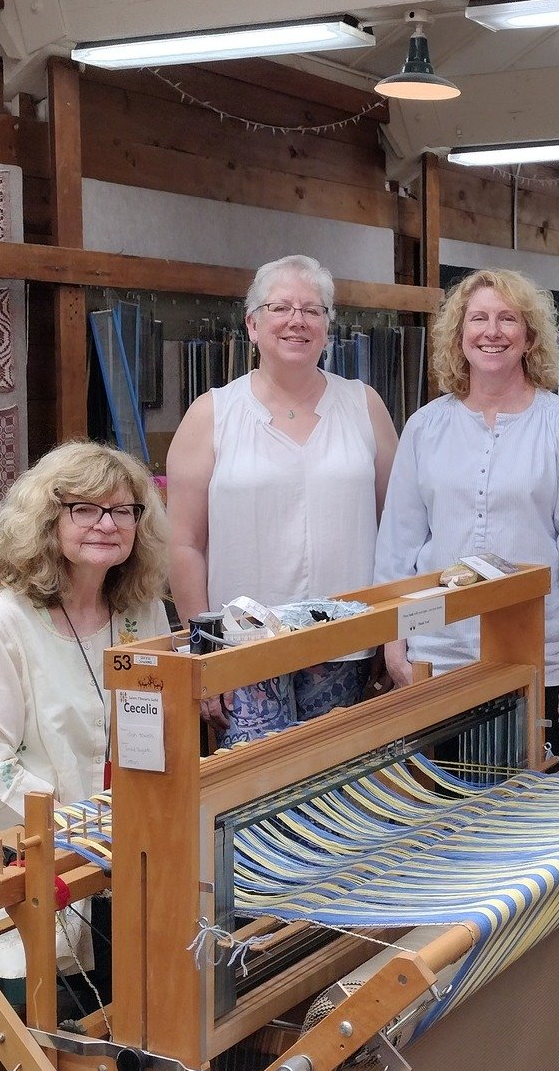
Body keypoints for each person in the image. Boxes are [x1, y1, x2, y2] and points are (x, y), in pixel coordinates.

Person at [0, 440, 170, 993]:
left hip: (127, 853)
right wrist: (86, 831)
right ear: (47, 520)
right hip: (24, 867)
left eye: (122, 510)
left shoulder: (143, 612)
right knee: (76, 1006)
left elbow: (158, 730)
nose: (106, 524)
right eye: (84, 509)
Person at [375, 269, 559, 749]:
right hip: (438, 653)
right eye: (478, 318)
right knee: (444, 808)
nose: (492, 331)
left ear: (529, 337)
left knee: (529, 811)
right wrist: (393, 644)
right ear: (459, 336)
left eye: (508, 319)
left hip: (538, 654)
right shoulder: (424, 427)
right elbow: (398, 544)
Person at [167, 254, 398, 745]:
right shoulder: (211, 414)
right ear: (252, 324)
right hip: (243, 651)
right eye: (281, 308)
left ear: (328, 327)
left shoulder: (364, 405)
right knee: (256, 801)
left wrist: (391, 631)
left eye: (313, 310)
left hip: (346, 643)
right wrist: (204, 653)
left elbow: (395, 528)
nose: (298, 320)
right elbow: (183, 544)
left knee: (339, 792)